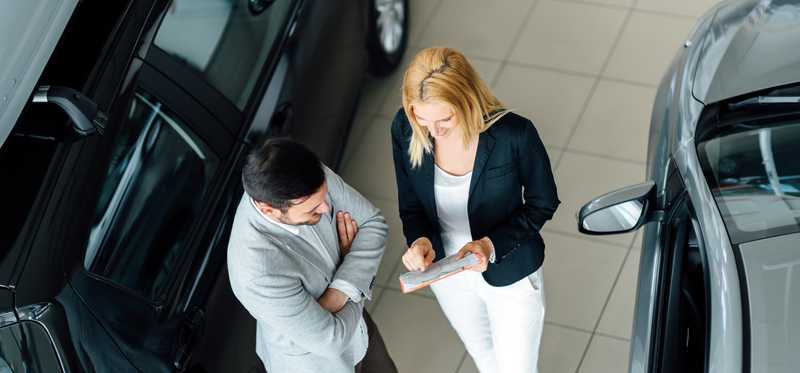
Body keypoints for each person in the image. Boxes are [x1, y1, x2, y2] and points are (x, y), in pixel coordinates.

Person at [391, 47, 560, 373]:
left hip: (509, 272)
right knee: (484, 357)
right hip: (447, 272)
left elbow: (543, 203)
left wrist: (490, 245)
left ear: (467, 100)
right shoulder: (404, 129)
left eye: (445, 119)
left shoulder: (514, 134)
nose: (433, 131)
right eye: (423, 120)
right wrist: (421, 241)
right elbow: (411, 205)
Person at [228, 138, 397, 373]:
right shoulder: (256, 270)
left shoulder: (305, 177)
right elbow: (332, 340)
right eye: (312, 209)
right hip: (318, 364)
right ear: (269, 210)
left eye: (324, 198)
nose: (325, 208)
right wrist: (353, 278)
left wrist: (341, 290)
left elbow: (373, 224)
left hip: (358, 328)